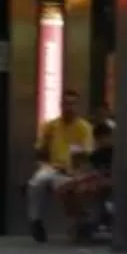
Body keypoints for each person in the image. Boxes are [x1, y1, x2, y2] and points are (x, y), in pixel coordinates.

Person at [28, 90, 95, 243]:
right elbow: (40, 149)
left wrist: (77, 170)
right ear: (61, 105)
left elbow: (87, 154)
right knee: (36, 183)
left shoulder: (84, 128)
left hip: (72, 172)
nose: (69, 107)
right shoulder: (51, 126)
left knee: (72, 189)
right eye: (66, 104)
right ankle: (35, 220)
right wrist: (41, 162)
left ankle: (80, 224)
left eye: (72, 104)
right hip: (52, 167)